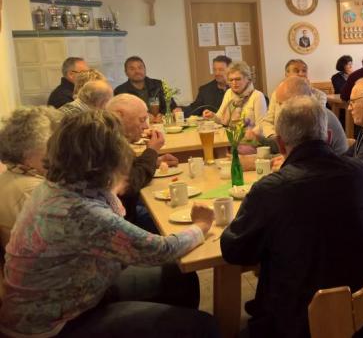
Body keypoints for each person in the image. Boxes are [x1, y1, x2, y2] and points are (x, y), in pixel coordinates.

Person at [0, 111, 218, 338]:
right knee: (203, 326)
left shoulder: (55, 185)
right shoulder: (78, 211)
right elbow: (161, 250)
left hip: (70, 295)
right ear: (108, 160)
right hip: (53, 326)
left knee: (179, 275)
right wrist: (201, 225)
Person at [221, 96, 363, 337]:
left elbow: (234, 251)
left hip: (302, 325)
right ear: (329, 138)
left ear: (281, 145)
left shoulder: (271, 189)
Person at [107, 94, 178, 227]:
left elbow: (127, 169)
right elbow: (131, 183)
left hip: (129, 211)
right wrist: (152, 151)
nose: (146, 126)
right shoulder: (108, 143)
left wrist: (154, 162)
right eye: (141, 120)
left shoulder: (113, 138)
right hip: (123, 221)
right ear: (119, 115)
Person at [0, 106, 61, 247]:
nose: (58, 155)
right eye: (51, 149)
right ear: (27, 154)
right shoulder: (33, 191)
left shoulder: (10, 177)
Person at [248, 76, 347, 157]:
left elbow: (307, 159)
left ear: (299, 100)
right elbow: (287, 145)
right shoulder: (301, 115)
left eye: (282, 103)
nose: (280, 108)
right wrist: (258, 139)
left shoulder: (315, 117)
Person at [262, 59, 328, 142]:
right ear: (287, 74)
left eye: (304, 71)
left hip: (306, 141)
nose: (301, 74)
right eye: (296, 71)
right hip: (279, 140)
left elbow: (317, 121)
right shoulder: (278, 93)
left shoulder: (320, 95)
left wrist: (307, 91)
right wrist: (274, 136)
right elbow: (267, 121)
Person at [203, 61, 267, 128]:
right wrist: (212, 116)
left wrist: (251, 134)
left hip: (250, 137)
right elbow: (220, 118)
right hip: (231, 135)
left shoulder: (257, 96)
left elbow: (261, 126)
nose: (234, 83)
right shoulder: (229, 93)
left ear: (247, 79)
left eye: (238, 79)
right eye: (231, 80)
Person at [113, 56, 178, 119]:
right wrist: (142, 116)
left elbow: (172, 106)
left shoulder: (158, 85)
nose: (137, 71)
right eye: (132, 69)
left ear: (145, 69)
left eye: (140, 68)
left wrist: (162, 114)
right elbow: (121, 116)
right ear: (126, 72)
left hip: (161, 124)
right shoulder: (120, 91)